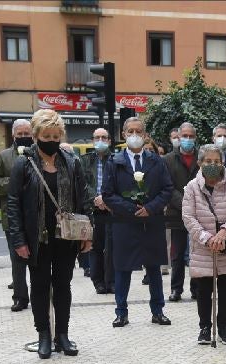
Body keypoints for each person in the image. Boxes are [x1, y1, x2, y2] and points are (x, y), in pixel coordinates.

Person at [6, 109, 92, 358]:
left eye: (56, 135)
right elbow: (14, 205)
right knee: (40, 286)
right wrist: (19, 240)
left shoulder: (71, 161)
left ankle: (62, 334)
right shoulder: (24, 163)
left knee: (63, 285)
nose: (52, 140)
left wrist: (87, 234)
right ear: (36, 135)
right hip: (37, 238)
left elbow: (82, 199)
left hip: (66, 236)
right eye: (47, 135)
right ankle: (43, 334)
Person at [103, 116, 173, 328]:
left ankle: (158, 310)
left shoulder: (156, 161)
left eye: (138, 132)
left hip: (151, 223)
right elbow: (107, 194)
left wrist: (150, 208)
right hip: (125, 223)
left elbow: (167, 189)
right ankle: (121, 312)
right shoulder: (114, 162)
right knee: (122, 268)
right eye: (130, 132)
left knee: (153, 268)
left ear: (145, 135)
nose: (135, 136)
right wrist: (131, 209)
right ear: (124, 135)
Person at [181, 144, 226, 344]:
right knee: (204, 290)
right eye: (208, 161)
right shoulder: (191, 187)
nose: (213, 165)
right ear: (200, 163)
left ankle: (224, 327)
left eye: (216, 161)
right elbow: (188, 217)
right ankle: (204, 327)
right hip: (204, 248)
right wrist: (207, 238)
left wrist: (224, 232)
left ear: (223, 163)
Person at [0, 118, 33, 311]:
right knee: (17, 260)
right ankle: (20, 297)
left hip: (37, 216)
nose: (23, 137)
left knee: (39, 260)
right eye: (19, 134)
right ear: (13, 135)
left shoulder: (39, 154)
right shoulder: (3, 157)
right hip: (12, 217)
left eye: (26, 134)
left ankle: (39, 294)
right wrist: (14, 183)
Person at [163, 121, 200, 302]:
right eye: (183, 136)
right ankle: (176, 289)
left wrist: (193, 204)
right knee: (177, 254)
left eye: (190, 136)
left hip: (198, 215)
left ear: (195, 138)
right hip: (176, 214)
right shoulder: (168, 159)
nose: (187, 139)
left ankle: (196, 288)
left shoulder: (202, 158)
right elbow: (167, 187)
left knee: (196, 253)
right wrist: (185, 203)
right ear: (178, 137)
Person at [81, 127, 115, 294]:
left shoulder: (116, 159)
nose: (100, 141)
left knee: (112, 246)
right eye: (97, 138)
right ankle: (98, 282)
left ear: (109, 140)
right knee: (95, 247)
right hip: (92, 209)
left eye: (104, 137)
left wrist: (107, 200)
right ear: (92, 140)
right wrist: (96, 198)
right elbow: (82, 185)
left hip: (111, 209)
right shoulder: (84, 161)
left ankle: (111, 281)